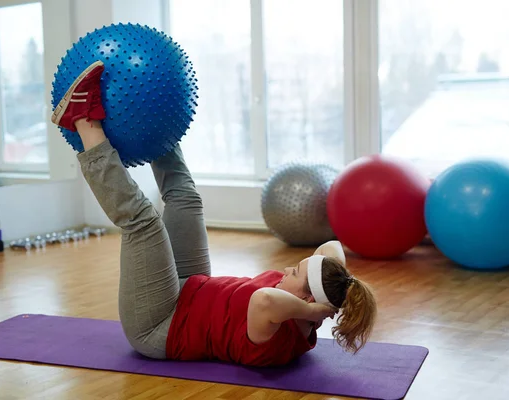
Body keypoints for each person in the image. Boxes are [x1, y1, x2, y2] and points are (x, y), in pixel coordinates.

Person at [50, 61, 377, 367]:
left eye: (295, 274)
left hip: (161, 325)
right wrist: (340, 286)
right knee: (186, 198)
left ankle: (82, 120)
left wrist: (314, 307)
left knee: (144, 223)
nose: (287, 270)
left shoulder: (276, 331)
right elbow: (331, 246)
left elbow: (264, 299)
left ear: (306, 300)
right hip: (193, 288)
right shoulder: (299, 301)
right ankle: (155, 121)